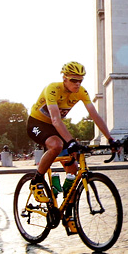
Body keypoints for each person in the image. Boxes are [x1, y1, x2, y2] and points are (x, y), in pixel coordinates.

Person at [26, 62, 115, 211]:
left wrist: (110, 139)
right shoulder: (52, 89)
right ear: (64, 78)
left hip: (56, 127)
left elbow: (95, 116)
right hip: (38, 123)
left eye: (81, 80)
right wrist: (71, 141)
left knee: (73, 167)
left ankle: (67, 206)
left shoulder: (81, 92)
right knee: (57, 145)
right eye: (74, 80)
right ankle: (36, 181)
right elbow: (55, 119)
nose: (78, 83)